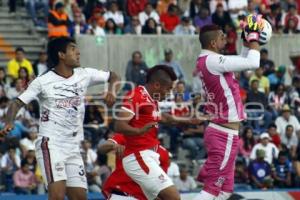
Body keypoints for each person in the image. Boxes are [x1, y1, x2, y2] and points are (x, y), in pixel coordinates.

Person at [0, 37, 120, 200]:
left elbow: (114, 76)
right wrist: (9, 122)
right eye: (72, 48)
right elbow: (16, 103)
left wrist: (112, 91)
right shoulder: (42, 81)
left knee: (79, 197)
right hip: (51, 143)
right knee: (57, 195)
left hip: (73, 145)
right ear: (61, 55)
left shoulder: (84, 74)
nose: (78, 52)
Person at [192, 15, 263, 200]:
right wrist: (254, 36)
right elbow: (253, 63)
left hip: (223, 132)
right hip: (223, 134)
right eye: (223, 37)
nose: (227, 39)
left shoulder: (208, 60)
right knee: (211, 190)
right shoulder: (213, 61)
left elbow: (242, 60)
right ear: (214, 43)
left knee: (224, 191)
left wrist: (247, 42)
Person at [114, 65, 205, 200]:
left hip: (148, 156)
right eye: (168, 89)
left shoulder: (152, 100)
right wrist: (139, 130)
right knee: (173, 197)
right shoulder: (136, 95)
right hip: (138, 156)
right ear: (157, 85)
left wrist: (189, 120)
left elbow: (164, 118)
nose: (169, 94)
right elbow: (119, 125)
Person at [100, 133, 170, 199]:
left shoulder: (163, 153)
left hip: (143, 197)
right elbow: (102, 149)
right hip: (121, 193)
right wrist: (114, 146)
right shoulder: (125, 137)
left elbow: (161, 184)